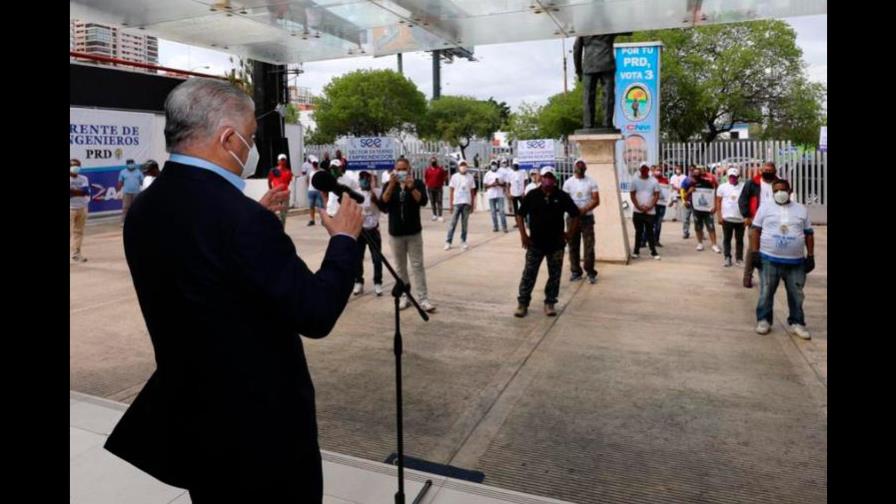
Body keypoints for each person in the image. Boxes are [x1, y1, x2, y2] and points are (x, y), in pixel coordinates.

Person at [103, 77, 364, 503]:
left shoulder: (147, 207)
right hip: (261, 435)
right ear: (229, 138)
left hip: (196, 422)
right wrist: (345, 243)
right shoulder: (240, 221)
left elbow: (200, 268)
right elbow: (315, 312)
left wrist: (249, 226)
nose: (252, 147)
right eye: (252, 137)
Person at [750, 179, 814, 339]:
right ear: (773, 193)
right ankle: (764, 319)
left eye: (783, 189)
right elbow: (755, 231)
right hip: (769, 259)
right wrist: (754, 253)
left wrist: (811, 256)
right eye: (776, 190)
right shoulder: (765, 208)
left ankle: (797, 322)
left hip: (796, 261)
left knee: (797, 294)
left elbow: (808, 233)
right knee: (766, 291)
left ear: (790, 190)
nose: (780, 193)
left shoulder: (801, 209)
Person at [514, 168, 580, 317]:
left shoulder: (562, 196)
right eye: (545, 177)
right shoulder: (532, 195)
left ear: (555, 179)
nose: (547, 180)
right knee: (529, 274)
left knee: (555, 275)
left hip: (556, 244)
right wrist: (523, 235)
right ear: (540, 178)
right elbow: (520, 215)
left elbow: (575, 214)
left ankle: (550, 302)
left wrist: (569, 234)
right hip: (535, 243)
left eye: (550, 177)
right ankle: (522, 303)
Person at [381, 158, 436, 313]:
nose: (401, 172)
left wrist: (411, 188)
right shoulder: (389, 185)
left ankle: (423, 298)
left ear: (409, 169)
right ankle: (405, 296)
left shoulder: (417, 183)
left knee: (417, 266)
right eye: (398, 169)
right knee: (400, 268)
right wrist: (391, 186)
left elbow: (423, 201)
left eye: (404, 169)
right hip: (396, 233)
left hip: (413, 233)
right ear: (394, 170)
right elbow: (383, 203)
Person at [738, 161, 779, 288]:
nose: (767, 172)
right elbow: (743, 199)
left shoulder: (779, 184)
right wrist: (746, 216)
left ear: (775, 171)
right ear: (761, 171)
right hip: (755, 221)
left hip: (775, 222)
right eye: (765, 170)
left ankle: (771, 275)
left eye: (770, 170)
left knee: (773, 247)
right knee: (752, 249)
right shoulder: (752, 183)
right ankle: (747, 277)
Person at [562, 158, 600, 283]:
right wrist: (575, 211)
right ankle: (575, 271)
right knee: (573, 244)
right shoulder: (568, 183)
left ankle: (590, 272)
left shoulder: (591, 182)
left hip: (587, 217)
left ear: (585, 168)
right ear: (574, 168)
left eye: (582, 167)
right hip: (572, 219)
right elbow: (565, 201)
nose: (580, 169)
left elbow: (596, 200)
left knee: (589, 246)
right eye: (578, 167)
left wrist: (583, 210)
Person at [354, 170, 384, 297]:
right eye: (361, 177)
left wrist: (375, 200)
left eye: (366, 177)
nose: (364, 180)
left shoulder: (377, 192)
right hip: (360, 231)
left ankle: (378, 282)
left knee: (377, 258)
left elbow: (384, 208)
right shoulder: (356, 193)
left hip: (373, 230)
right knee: (357, 257)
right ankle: (358, 281)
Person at [685, 166, 721, 253]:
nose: (696, 175)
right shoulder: (691, 183)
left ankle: (714, 245)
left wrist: (715, 206)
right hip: (696, 208)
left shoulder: (709, 182)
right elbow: (685, 196)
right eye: (695, 173)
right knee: (698, 227)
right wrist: (689, 192)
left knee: (711, 227)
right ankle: (700, 243)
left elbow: (716, 193)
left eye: (698, 173)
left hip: (708, 209)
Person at [629, 162, 661, 259]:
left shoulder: (654, 181)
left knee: (650, 232)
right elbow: (632, 195)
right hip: (638, 211)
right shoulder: (635, 181)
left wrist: (650, 206)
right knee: (638, 232)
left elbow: (656, 195)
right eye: (642, 168)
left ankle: (653, 252)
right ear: (639, 170)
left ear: (648, 170)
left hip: (650, 212)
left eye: (646, 168)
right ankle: (636, 251)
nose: (644, 170)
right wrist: (638, 207)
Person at [716, 167, 746, 267]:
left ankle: (739, 258)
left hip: (740, 218)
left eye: (734, 177)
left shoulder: (744, 186)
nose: (732, 179)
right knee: (727, 239)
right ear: (728, 177)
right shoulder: (722, 187)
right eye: (731, 177)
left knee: (739, 240)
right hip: (727, 218)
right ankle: (727, 257)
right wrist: (719, 216)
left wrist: (747, 216)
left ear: (738, 177)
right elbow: (718, 201)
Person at [445, 160, 477, 250]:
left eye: (464, 165)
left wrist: (472, 204)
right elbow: (451, 190)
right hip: (457, 203)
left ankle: (463, 241)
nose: (463, 167)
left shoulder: (470, 177)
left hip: (466, 203)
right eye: (461, 165)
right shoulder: (454, 177)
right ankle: (448, 241)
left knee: (464, 224)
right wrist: (451, 204)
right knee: (453, 223)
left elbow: (472, 191)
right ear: (459, 166)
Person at [70, 158, 91, 263]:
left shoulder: (84, 178)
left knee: (78, 232)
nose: (76, 167)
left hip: (82, 208)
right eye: (73, 165)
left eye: (78, 165)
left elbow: (86, 192)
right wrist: (80, 191)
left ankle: (76, 254)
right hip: (70, 209)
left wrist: (74, 191)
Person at [268, 153, 294, 228]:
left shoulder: (289, 172)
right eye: (281, 160)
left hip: (285, 195)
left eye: (284, 160)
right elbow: (269, 182)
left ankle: (282, 229)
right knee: (272, 212)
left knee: (283, 214)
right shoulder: (273, 171)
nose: (283, 161)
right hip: (276, 194)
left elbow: (288, 182)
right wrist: (271, 191)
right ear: (278, 161)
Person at [116, 159, 144, 226]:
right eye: (129, 163)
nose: (131, 164)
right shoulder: (122, 172)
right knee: (125, 207)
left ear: (134, 164)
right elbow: (120, 182)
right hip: (127, 193)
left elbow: (142, 182)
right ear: (127, 164)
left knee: (137, 207)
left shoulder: (139, 172)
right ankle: (123, 222)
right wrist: (117, 191)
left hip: (136, 193)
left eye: (132, 163)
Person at [484, 160, 509, 233]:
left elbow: (504, 184)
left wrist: (499, 184)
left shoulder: (501, 174)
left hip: (500, 195)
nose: (494, 165)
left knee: (501, 211)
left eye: (495, 164)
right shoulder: (487, 174)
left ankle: (504, 227)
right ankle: (496, 226)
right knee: (493, 212)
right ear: (490, 165)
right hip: (491, 195)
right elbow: (485, 185)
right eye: (492, 164)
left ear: (497, 165)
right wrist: (492, 185)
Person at [424, 156, 448, 222]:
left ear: (436, 161)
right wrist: (427, 184)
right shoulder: (428, 170)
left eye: (434, 161)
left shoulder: (440, 169)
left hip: (439, 188)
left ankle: (440, 216)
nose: (433, 162)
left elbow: (444, 177)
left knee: (439, 201)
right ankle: (434, 215)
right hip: (430, 188)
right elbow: (426, 178)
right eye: (432, 161)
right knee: (432, 201)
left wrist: (441, 183)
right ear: (430, 162)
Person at [651, 165, 670, 247]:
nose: (658, 171)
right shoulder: (649, 179)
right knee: (649, 223)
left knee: (658, 223)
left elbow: (668, 191)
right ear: (654, 170)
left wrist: (670, 200)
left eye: (660, 170)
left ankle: (656, 241)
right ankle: (644, 241)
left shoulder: (665, 180)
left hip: (661, 205)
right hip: (651, 205)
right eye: (657, 170)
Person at [306, 155, 326, 226]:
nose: (314, 164)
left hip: (319, 191)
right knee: (311, 206)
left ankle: (323, 220)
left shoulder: (321, 171)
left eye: (316, 163)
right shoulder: (310, 171)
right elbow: (307, 180)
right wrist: (309, 187)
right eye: (314, 163)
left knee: (320, 206)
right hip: (311, 191)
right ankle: (312, 220)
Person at [508, 158, 527, 225]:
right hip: (513, 194)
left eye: (516, 165)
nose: (515, 166)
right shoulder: (510, 173)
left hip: (521, 193)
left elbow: (525, 181)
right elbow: (509, 184)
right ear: (512, 165)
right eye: (514, 165)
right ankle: (518, 223)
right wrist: (509, 193)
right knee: (515, 209)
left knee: (524, 207)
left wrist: (524, 191)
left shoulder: (523, 171)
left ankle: (526, 221)